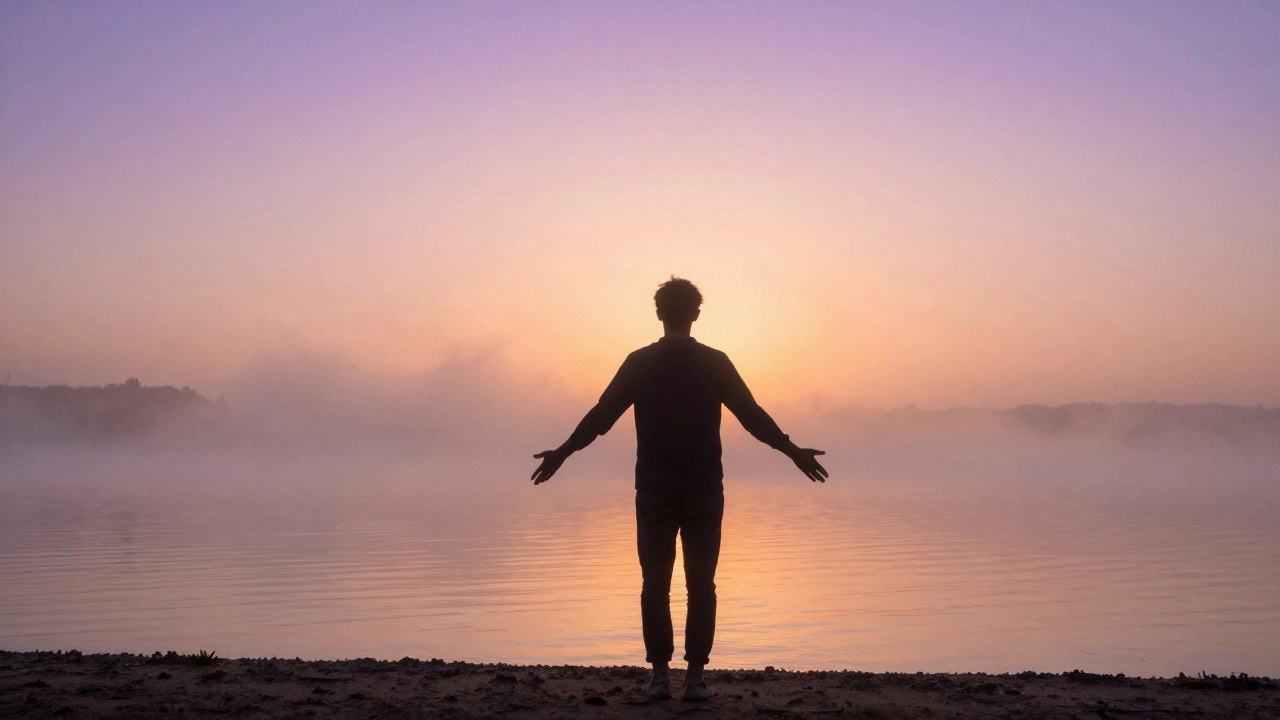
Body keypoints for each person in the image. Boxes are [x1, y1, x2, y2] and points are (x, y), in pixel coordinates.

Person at [530, 277, 828, 702]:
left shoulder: (639, 361)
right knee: (701, 585)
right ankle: (695, 679)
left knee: (655, 583)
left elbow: (600, 417)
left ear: (658, 314)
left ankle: (658, 677)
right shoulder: (715, 361)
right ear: (696, 315)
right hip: (704, 488)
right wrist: (792, 450)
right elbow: (752, 416)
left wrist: (562, 452)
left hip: (654, 488)